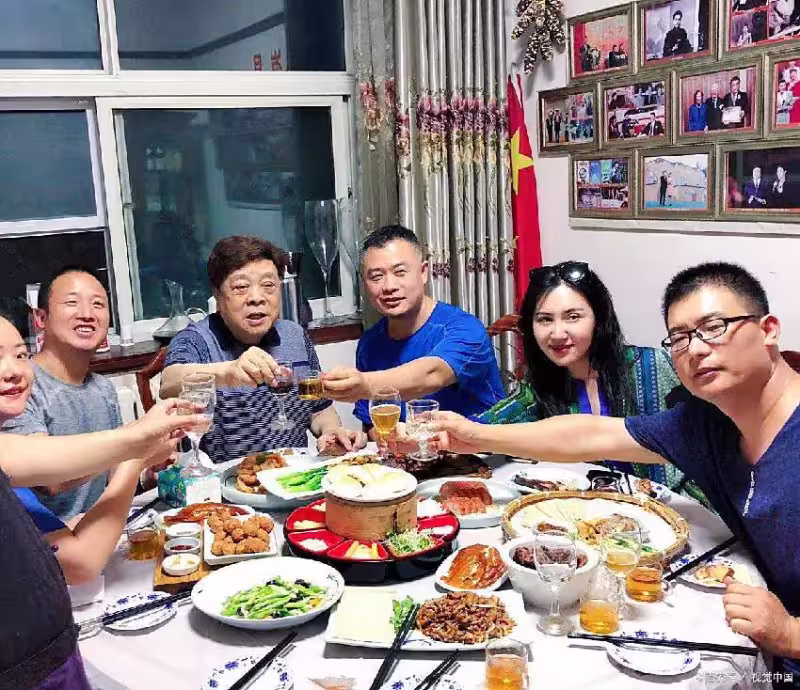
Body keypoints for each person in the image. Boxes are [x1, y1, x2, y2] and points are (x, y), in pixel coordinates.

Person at [427, 262, 800, 683]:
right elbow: (591, 434)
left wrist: (790, 633)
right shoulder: (705, 425)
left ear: (768, 330)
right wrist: (474, 435)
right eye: (680, 337)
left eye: (714, 327)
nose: (696, 349)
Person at [0, 314, 202, 689]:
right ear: (43, 319)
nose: (12, 370)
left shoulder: (98, 389)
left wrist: (137, 441)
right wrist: (135, 456)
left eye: (20, 354)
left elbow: (41, 523)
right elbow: (81, 562)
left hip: (53, 651)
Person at [477, 262, 708, 505]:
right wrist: (459, 430)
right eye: (545, 319)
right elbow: (493, 423)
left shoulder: (651, 365)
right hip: (597, 515)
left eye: (573, 317)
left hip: (679, 508)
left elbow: (703, 443)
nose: (557, 333)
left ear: (598, 318)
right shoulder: (543, 382)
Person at [161, 235, 366, 460]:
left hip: (294, 473)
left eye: (268, 285)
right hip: (228, 477)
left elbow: (319, 409)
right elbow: (168, 383)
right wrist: (228, 372)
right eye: (241, 287)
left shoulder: (295, 335)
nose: (256, 298)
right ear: (218, 295)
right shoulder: (196, 339)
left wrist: (330, 431)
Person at [322, 225, 505, 428]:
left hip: (480, 445)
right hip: (409, 447)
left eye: (400, 272)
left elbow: (432, 375)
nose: (389, 286)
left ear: (423, 272)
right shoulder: (370, 343)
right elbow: (372, 423)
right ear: (364, 283)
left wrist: (362, 385)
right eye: (376, 277)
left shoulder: (465, 328)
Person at [2, 266, 126, 521]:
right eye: (72, 302)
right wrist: (135, 443)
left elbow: (115, 474)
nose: (87, 314)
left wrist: (149, 468)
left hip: (100, 529)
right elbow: (49, 478)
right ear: (40, 318)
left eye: (98, 304)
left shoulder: (103, 388)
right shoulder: (17, 391)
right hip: (50, 539)